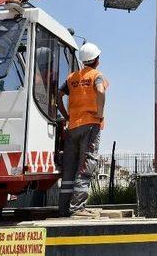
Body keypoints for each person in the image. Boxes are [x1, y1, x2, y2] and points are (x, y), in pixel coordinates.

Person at [57, 42, 108, 217]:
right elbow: (100, 91)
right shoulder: (97, 76)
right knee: (86, 165)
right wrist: (99, 114)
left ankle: (64, 208)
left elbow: (58, 95)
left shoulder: (72, 78)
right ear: (97, 60)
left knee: (69, 167)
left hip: (73, 127)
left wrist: (66, 116)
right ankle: (78, 208)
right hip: (90, 125)